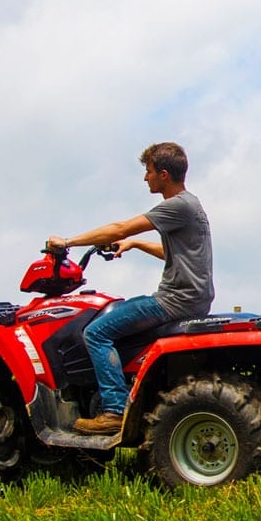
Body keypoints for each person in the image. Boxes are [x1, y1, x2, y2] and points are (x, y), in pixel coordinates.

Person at [46, 142, 213, 435]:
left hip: (174, 300)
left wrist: (67, 242)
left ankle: (114, 410)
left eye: (148, 172)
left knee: (96, 332)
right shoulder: (191, 205)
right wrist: (135, 245)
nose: (145, 178)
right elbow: (171, 253)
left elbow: (120, 227)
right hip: (192, 298)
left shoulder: (176, 205)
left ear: (163, 174)